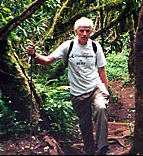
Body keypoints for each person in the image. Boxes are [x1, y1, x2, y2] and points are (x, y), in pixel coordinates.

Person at [27, 17, 110, 155]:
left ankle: (103, 148)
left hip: (95, 87)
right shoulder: (68, 46)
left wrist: (106, 91)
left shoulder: (96, 47)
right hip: (78, 92)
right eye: (82, 31)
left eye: (87, 31)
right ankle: (89, 151)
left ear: (91, 31)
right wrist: (34, 55)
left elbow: (101, 70)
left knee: (101, 108)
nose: (84, 34)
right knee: (85, 125)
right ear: (76, 31)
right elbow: (47, 60)